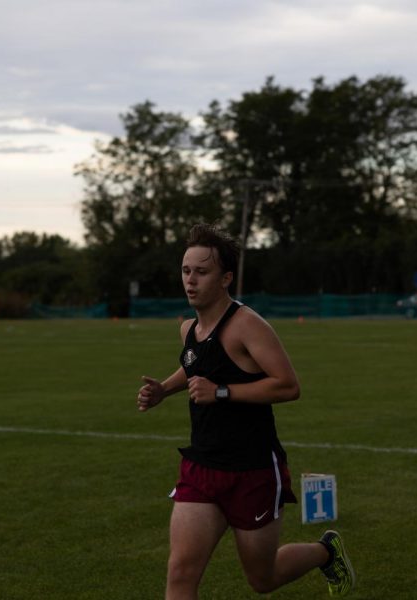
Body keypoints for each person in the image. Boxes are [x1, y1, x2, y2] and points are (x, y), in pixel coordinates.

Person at [137, 224, 355, 598]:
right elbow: (195, 366)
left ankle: (325, 552)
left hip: (252, 469)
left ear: (226, 278)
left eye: (202, 272)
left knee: (262, 578)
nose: (190, 280)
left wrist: (221, 392)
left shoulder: (247, 326)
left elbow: (288, 385)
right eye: (186, 271)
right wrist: (164, 390)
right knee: (180, 572)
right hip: (202, 467)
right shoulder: (189, 328)